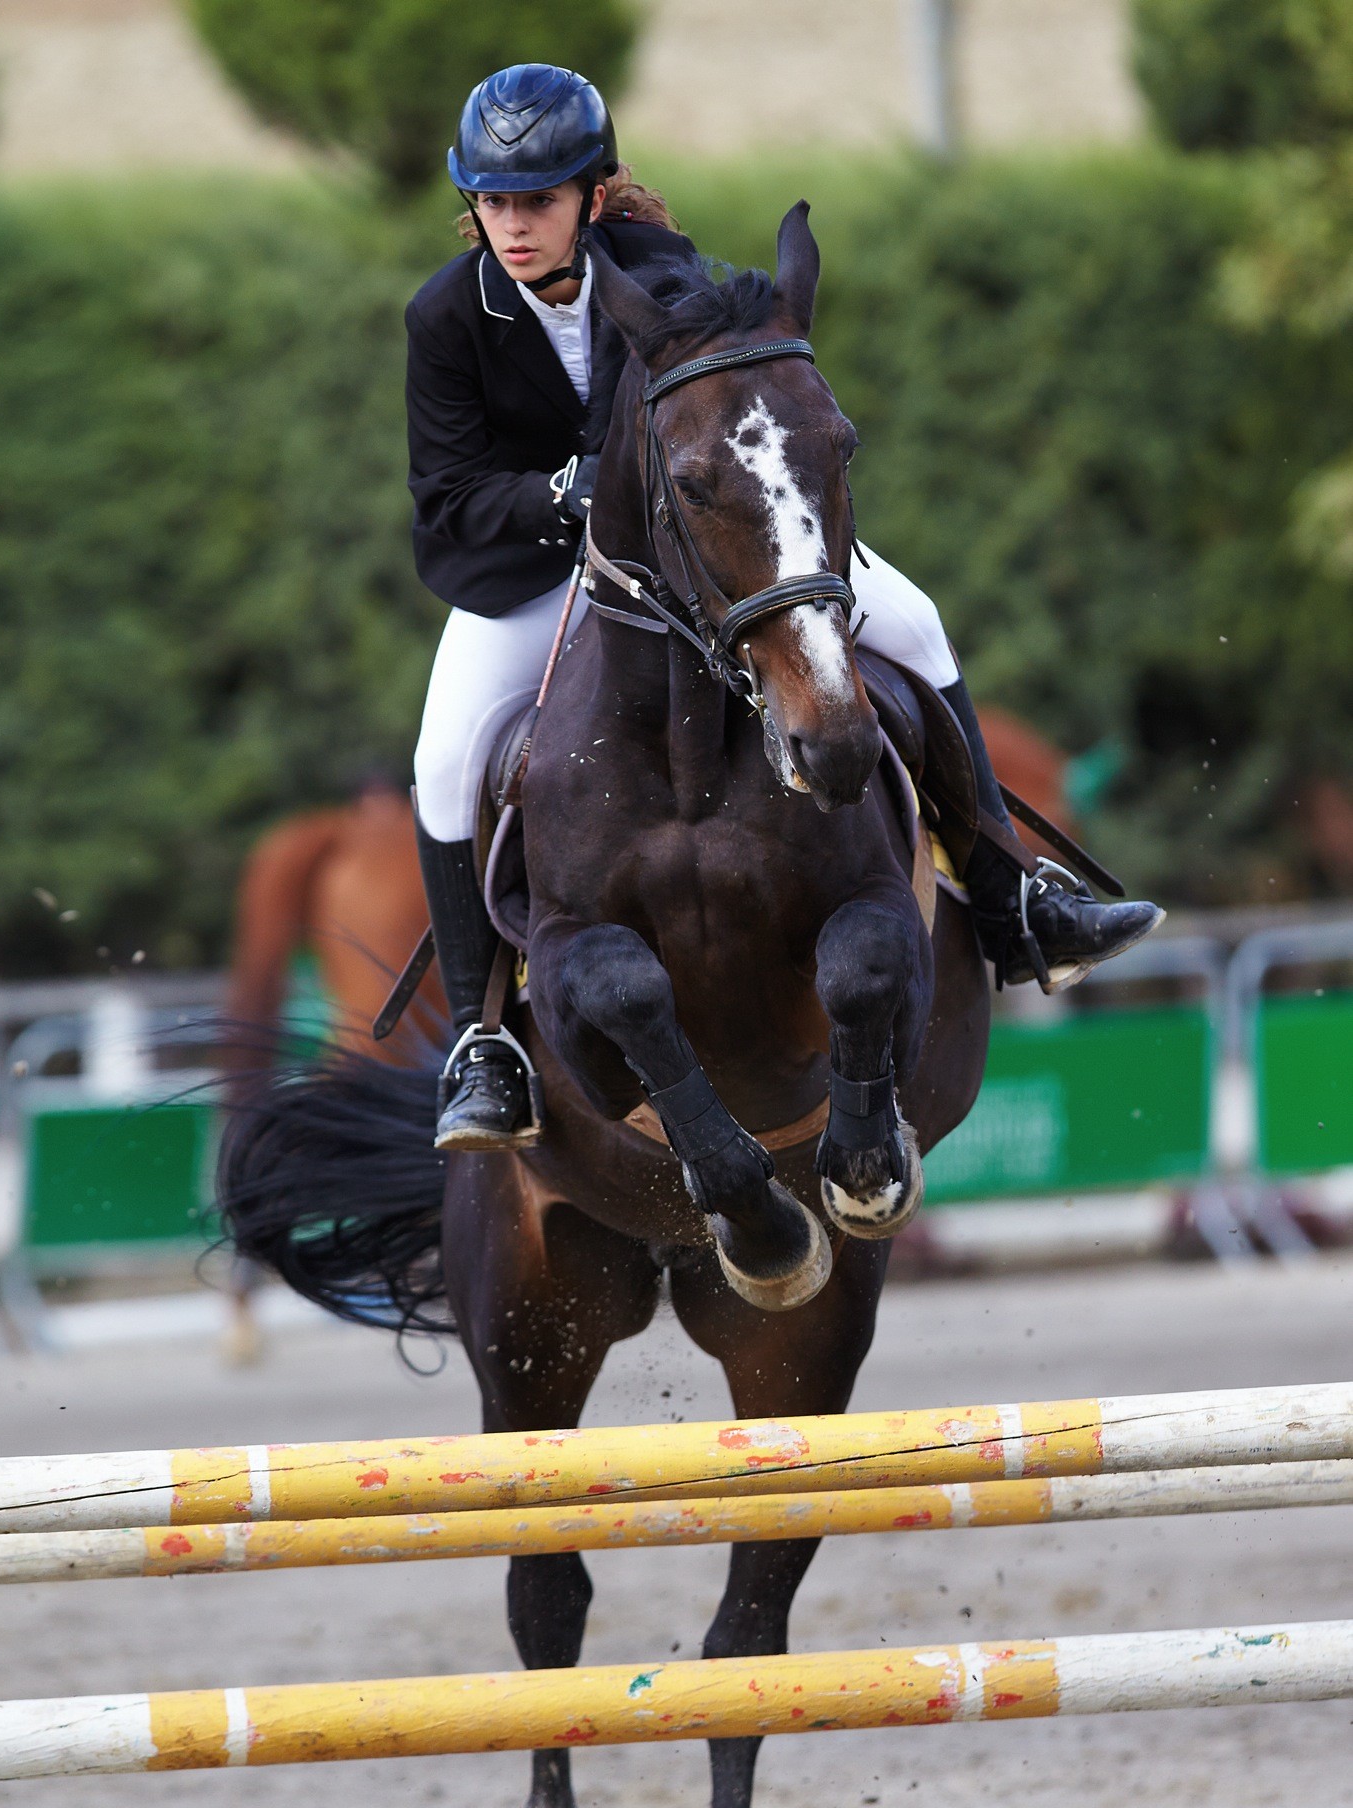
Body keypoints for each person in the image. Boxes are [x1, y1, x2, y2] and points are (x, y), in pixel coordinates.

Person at [406, 64, 1161, 1152]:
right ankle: (486, 1046)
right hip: (529, 575)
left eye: (537, 200)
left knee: (918, 623)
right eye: (494, 202)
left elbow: (741, 392)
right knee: (441, 758)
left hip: (695, 557)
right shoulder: (443, 314)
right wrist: (563, 494)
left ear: (592, 192)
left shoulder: (662, 269)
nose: (513, 225)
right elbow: (448, 496)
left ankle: (1012, 902)